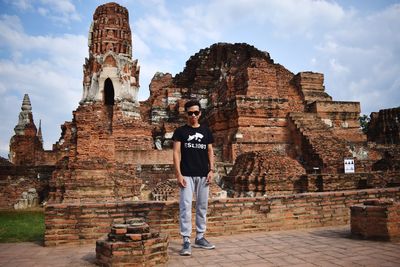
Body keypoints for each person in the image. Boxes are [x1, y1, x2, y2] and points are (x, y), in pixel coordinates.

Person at [172, 99, 216, 256]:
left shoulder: (206, 132)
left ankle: (200, 237)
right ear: (186, 114)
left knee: (202, 206)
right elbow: (176, 153)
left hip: (204, 175)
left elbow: (210, 151)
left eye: (196, 113)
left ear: (200, 113)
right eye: (190, 113)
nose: (193, 116)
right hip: (187, 175)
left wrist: (211, 170)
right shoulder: (180, 132)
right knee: (185, 206)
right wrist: (178, 174)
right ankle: (186, 240)